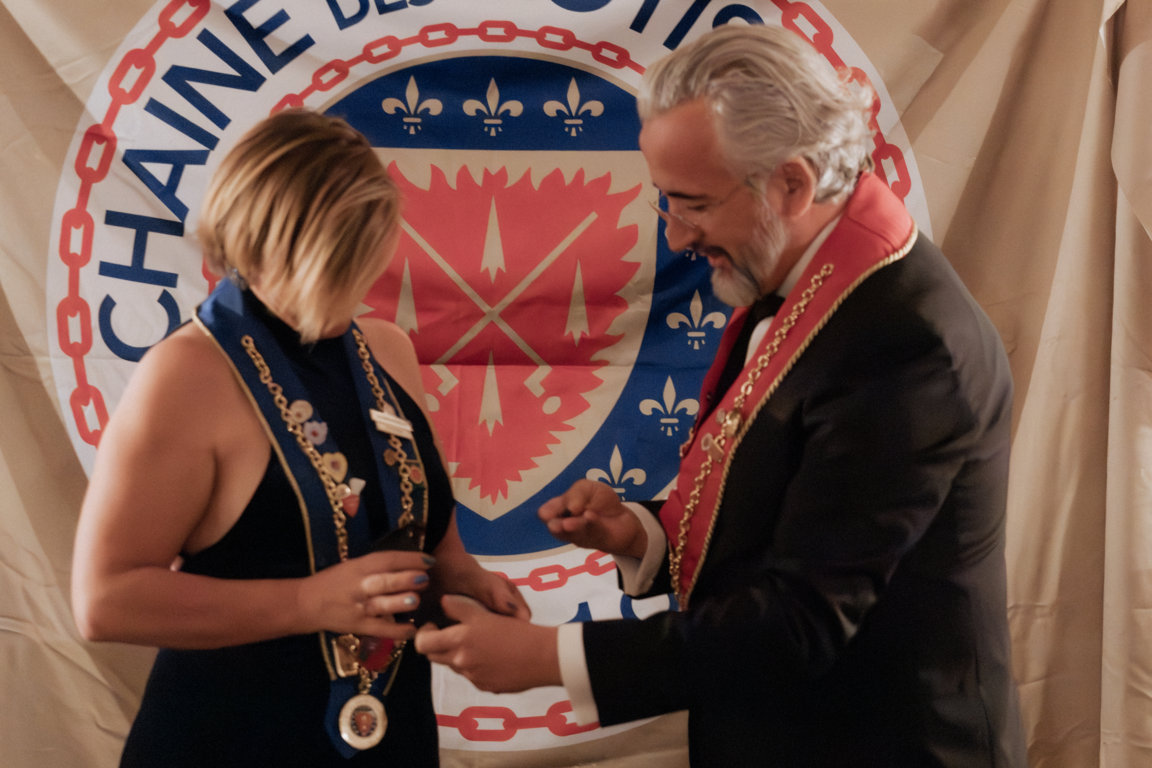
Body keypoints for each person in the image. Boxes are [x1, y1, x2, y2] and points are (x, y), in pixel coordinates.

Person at [415, 24, 1028, 767]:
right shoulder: (802, 278)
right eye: (665, 202)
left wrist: (550, 658)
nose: (676, 237)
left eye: (693, 204)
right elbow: (785, 511)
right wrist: (642, 534)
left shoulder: (904, 343)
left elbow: (799, 624)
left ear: (792, 184)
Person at [70, 109, 529, 767]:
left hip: (388, 732)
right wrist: (306, 603)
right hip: (230, 741)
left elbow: (428, 539)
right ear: (276, 243)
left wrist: (466, 582)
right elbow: (105, 601)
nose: (364, 277)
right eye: (344, 255)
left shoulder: (387, 352)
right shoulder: (187, 373)